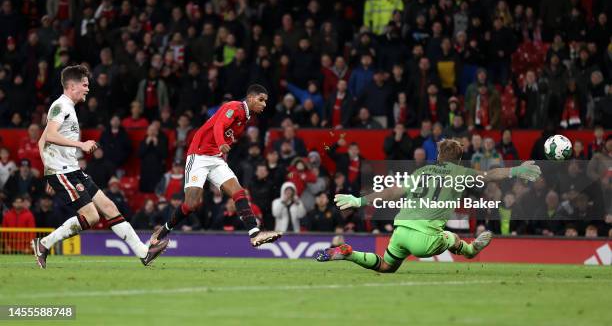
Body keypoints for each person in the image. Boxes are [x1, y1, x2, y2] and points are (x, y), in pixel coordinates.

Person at [315, 139, 541, 272]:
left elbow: (392, 191)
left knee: (387, 266)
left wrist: (359, 201)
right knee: (451, 237)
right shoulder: (460, 173)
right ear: (459, 160)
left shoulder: (421, 171)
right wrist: (515, 170)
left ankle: (349, 253)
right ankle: (471, 250)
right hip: (425, 239)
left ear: (439, 156)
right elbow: (491, 175)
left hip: (401, 231)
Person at [31, 65, 168, 269]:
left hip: (70, 170)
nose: (87, 89)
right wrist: (80, 145)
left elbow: (42, 141)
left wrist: (47, 170)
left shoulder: (68, 108)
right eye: (84, 85)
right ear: (72, 86)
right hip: (63, 172)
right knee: (92, 216)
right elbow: (49, 135)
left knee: (109, 207)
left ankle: (143, 252)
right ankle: (44, 243)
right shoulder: (60, 106)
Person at [149, 84, 282, 247]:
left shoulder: (245, 118)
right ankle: (160, 233)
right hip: (199, 156)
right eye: (261, 100)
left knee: (239, 192)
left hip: (216, 159)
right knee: (191, 204)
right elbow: (219, 126)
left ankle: (254, 234)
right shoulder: (234, 107)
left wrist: (221, 150)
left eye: (266, 101)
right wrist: (220, 144)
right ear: (250, 98)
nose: (264, 104)